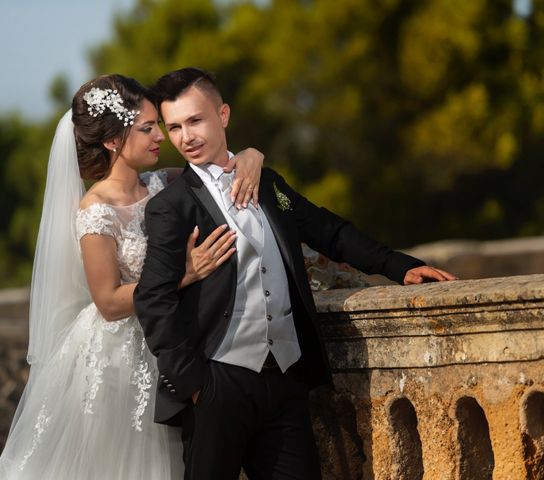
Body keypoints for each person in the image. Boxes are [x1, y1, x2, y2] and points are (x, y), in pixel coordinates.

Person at [133, 67, 456, 479]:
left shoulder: (266, 183)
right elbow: (151, 298)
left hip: (285, 379)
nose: (185, 137)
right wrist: (195, 384)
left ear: (224, 115)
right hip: (217, 384)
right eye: (174, 126)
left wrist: (401, 266)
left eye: (195, 121)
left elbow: (329, 231)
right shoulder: (170, 206)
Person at [0, 74, 264, 479]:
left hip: (172, 340)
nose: (161, 136)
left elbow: (222, 165)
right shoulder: (95, 211)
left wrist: (253, 154)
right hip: (118, 359)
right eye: (148, 128)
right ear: (113, 140)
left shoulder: (164, 183)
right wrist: (182, 275)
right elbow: (108, 302)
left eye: (158, 125)